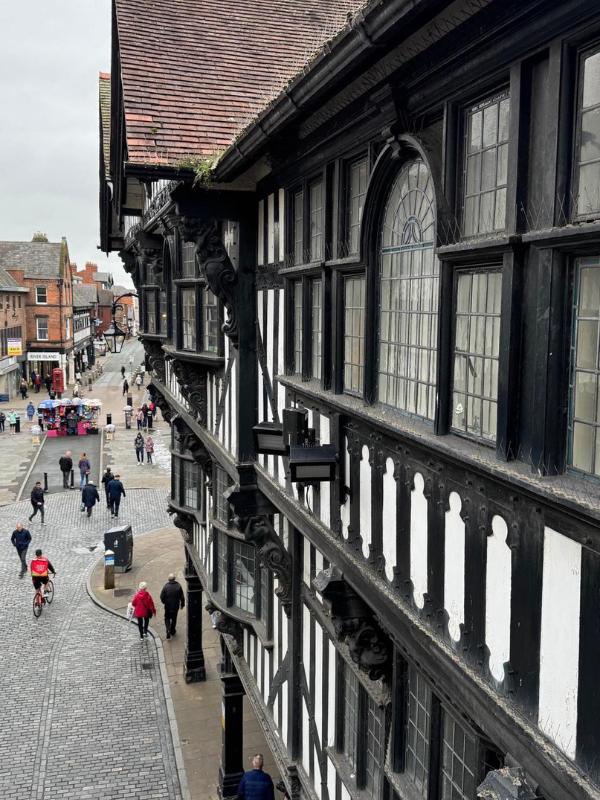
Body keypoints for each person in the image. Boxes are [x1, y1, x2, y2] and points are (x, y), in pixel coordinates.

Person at [159, 573, 185, 639]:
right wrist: (182, 604)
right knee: (174, 618)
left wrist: (164, 602)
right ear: (174, 578)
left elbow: (161, 596)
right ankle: (172, 630)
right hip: (175, 606)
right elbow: (182, 597)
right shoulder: (178, 586)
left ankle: (168, 629)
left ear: (169, 579)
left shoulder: (166, 586)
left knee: (167, 618)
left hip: (168, 606)